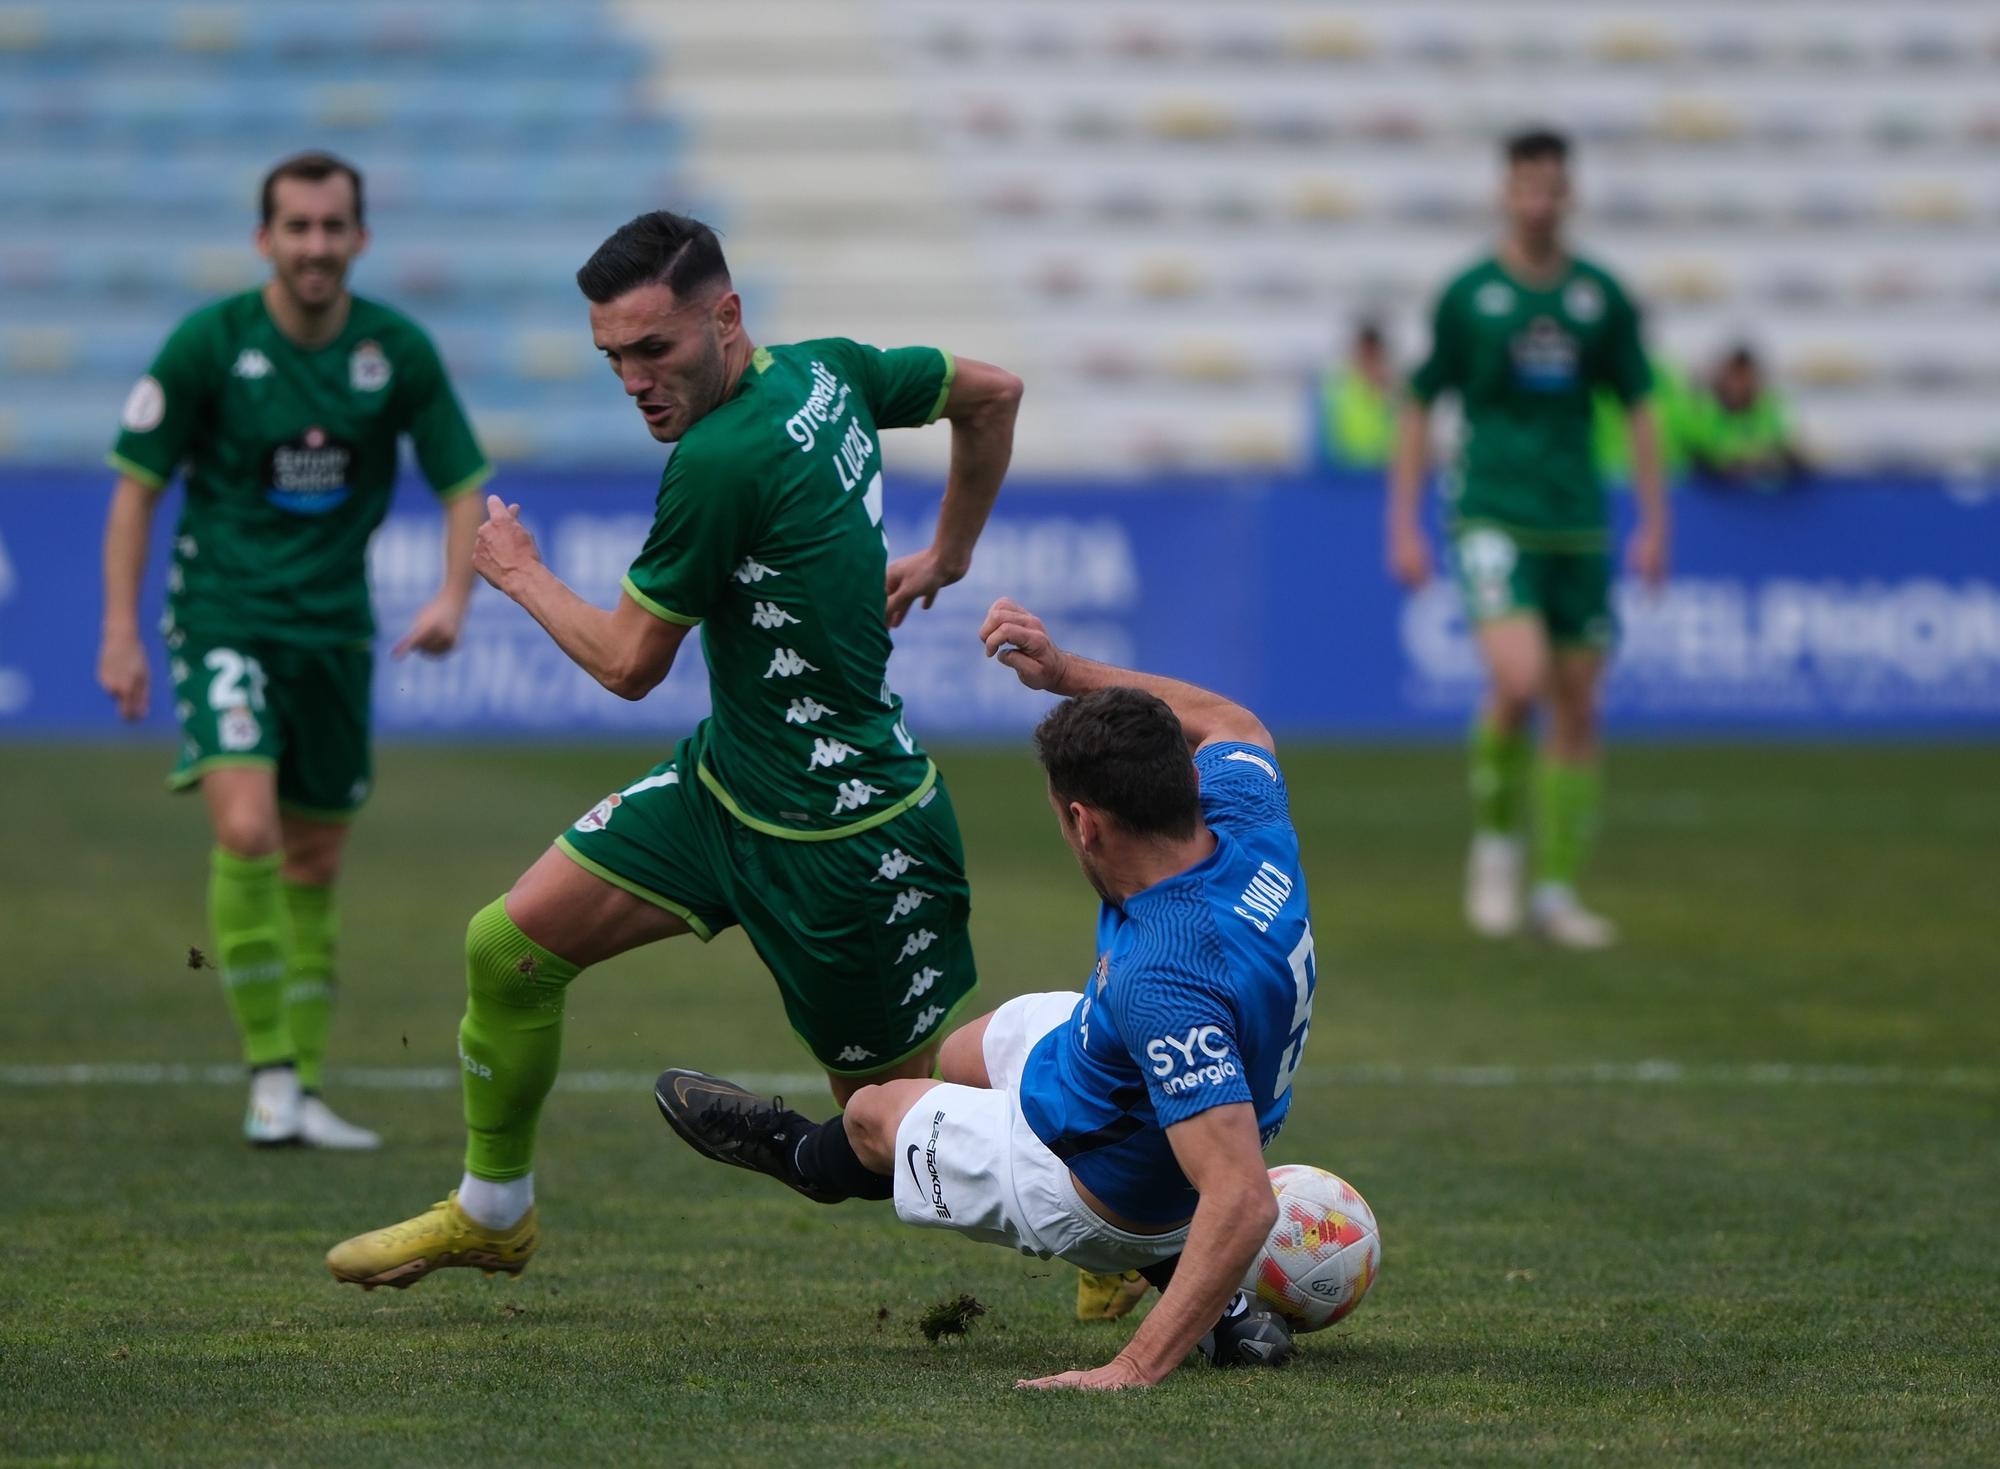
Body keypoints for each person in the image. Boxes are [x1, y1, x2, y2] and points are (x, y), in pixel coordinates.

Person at [326, 211, 1023, 1287]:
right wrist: (950, 549)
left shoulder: (718, 458)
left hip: (839, 838)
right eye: (612, 357)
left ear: (725, 317)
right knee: (504, 947)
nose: (634, 380)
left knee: (895, 1130)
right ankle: (491, 1211)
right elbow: (991, 393)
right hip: (725, 784)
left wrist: (515, 571)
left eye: (654, 349)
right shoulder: (827, 371)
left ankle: (1108, 1221)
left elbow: (625, 662)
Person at [655, 597, 1317, 1389]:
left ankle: (797, 1149)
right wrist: (1066, 675)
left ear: (1087, 824)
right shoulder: (1246, 816)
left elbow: (1244, 1198)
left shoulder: (1166, 977)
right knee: (960, 1053)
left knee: (871, 1114)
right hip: (1107, 1059)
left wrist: (1130, 1368)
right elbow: (1233, 720)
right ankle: (1195, 1290)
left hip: (1094, 1187)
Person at [97, 151, 491, 1148]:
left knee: (315, 857)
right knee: (246, 830)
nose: (314, 245)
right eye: (296, 226)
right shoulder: (207, 344)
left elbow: (460, 482)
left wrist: (454, 594)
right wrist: (119, 630)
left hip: (334, 633)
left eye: (332, 226)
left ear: (359, 237)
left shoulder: (394, 350)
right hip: (224, 616)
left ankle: (304, 1086)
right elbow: (137, 485)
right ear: (264, 238)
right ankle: (270, 1074)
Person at [1386, 127, 1670, 949]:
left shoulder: (1600, 297)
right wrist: (1402, 521)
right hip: (1492, 512)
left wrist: (1654, 522)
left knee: (1579, 703)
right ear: (1506, 193)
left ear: (1567, 194)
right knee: (1519, 677)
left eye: (1552, 186)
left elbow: (1641, 403)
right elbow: (1419, 400)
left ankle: (1556, 892)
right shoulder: (1470, 295)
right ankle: (1498, 847)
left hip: (1578, 521)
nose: (1539, 200)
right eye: (1526, 186)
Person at [1684, 345, 1804, 490]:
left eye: (1744, 378)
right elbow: (1700, 458)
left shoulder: (1769, 408)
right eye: (1734, 377)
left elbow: (1784, 452)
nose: (1737, 386)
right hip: (1716, 499)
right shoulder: (1705, 410)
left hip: (1760, 501)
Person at [1320, 321, 1398, 471]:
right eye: (1364, 353)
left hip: (1382, 470)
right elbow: (1324, 437)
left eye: (1372, 355)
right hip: (1344, 471)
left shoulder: (1393, 389)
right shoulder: (1338, 385)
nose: (1367, 360)